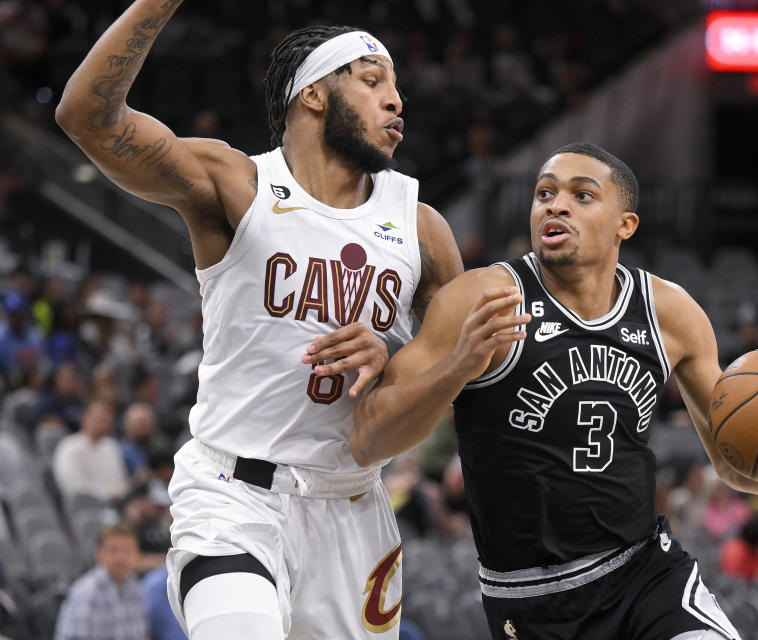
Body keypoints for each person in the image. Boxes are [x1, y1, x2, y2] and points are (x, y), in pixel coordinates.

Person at [55, 1, 463, 638]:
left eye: (397, 86)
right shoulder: (236, 184)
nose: (396, 100)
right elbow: (86, 117)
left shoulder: (422, 227)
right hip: (234, 495)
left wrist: (393, 358)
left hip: (352, 508)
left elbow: (458, 378)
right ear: (314, 96)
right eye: (372, 80)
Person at [350, 143, 758, 639]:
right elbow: (371, 436)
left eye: (582, 195)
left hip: (646, 574)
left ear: (625, 225)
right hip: (529, 595)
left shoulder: (670, 313)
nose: (556, 204)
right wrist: (458, 367)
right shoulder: (485, 297)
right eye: (544, 193)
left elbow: (730, 463)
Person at [54, 524, 148, 640]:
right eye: (113, 550)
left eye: (127, 551)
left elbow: (142, 635)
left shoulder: (134, 586)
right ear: (98, 554)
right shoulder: (88, 591)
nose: (121, 557)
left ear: (137, 554)